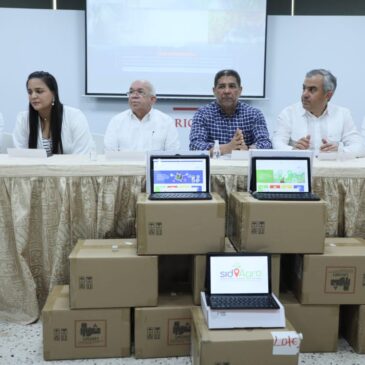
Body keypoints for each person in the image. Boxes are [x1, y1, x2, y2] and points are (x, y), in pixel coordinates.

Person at [273, 69, 364, 156]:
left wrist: (340, 151)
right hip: (300, 169)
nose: (305, 94)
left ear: (328, 95)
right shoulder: (288, 114)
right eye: (304, 88)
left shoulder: (343, 114)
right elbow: (277, 143)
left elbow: (360, 147)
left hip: (331, 169)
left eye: (312, 90)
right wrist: (293, 151)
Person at [189, 69, 272, 155]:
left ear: (240, 90)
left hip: (244, 166)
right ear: (214, 91)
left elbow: (266, 144)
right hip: (213, 167)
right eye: (222, 86)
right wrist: (227, 148)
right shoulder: (203, 114)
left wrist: (247, 149)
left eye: (232, 86)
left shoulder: (254, 114)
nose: (227, 91)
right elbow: (195, 146)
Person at [13, 71, 93, 156]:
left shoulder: (75, 116)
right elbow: (20, 155)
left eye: (39, 91)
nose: (33, 96)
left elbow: (82, 156)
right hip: (33, 169)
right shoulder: (23, 119)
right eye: (30, 92)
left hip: (69, 169)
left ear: (53, 93)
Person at [104, 80, 180, 152]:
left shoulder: (166, 122)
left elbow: (172, 154)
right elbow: (110, 154)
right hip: (124, 166)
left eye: (140, 92)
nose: (134, 96)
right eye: (131, 92)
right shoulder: (117, 121)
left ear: (152, 99)